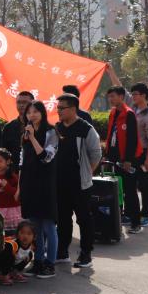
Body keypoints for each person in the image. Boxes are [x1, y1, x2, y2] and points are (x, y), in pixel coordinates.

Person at [53, 93, 101, 268]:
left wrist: (87, 173)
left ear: (73, 109)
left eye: (62, 108)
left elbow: (96, 154)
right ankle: (62, 252)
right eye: (57, 108)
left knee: (84, 219)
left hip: (80, 184)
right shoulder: (57, 128)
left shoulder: (86, 129)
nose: (58, 111)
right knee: (63, 219)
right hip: (60, 184)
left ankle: (85, 254)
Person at [17, 100, 59, 278]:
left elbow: (46, 157)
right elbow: (22, 161)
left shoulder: (51, 132)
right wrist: (19, 187)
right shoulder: (25, 133)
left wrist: (33, 137)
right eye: (29, 112)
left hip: (45, 184)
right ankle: (38, 261)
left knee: (48, 225)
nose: (31, 115)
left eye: (35, 111)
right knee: (35, 226)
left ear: (43, 113)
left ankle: (50, 263)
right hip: (29, 183)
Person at [106, 85, 144, 235]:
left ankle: (136, 223)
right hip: (114, 158)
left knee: (130, 191)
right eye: (109, 96)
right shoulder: (113, 113)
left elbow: (132, 139)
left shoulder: (129, 114)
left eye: (113, 96)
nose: (110, 99)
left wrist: (128, 160)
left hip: (127, 160)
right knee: (116, 191)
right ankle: (120, 219)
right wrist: (107, 154)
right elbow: (111, 135)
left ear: (121, 97)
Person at [130, 82, 148, 228]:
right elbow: (120, 89)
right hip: (133, 154)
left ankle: (145, 215)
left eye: (135, 94)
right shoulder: (133, 109)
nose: (132, 96)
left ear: (143, 95)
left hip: (144, 154)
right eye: (132, 94)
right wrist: (111, 73)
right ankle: (132, 214)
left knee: (145, 186)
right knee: (131, 185)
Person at [0, 221, 36, 285]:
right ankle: (2, 275)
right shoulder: (12, 244)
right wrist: (4, 272)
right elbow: (2, 257)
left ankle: (14, 273)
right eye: (22, 233)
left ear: (34, 237)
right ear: (17, 234)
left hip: (12, 264)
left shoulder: (32, 246)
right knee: (10, 256)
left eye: (29, 234)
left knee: (29, 255)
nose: (25, 236)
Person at [0, 91, 35, 166]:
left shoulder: (39, 126)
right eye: (18, 102)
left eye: (25, 102)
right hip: (12, 169)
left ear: (33, 104)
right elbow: (3, 151)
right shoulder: (8, 127)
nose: (21, 105)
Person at [0, 148, 20, 231]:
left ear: (8, 162)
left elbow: (17, 194)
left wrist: (7, 186)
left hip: (12, 209)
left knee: (12, 234)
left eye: (0, 161)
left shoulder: (12, 176)